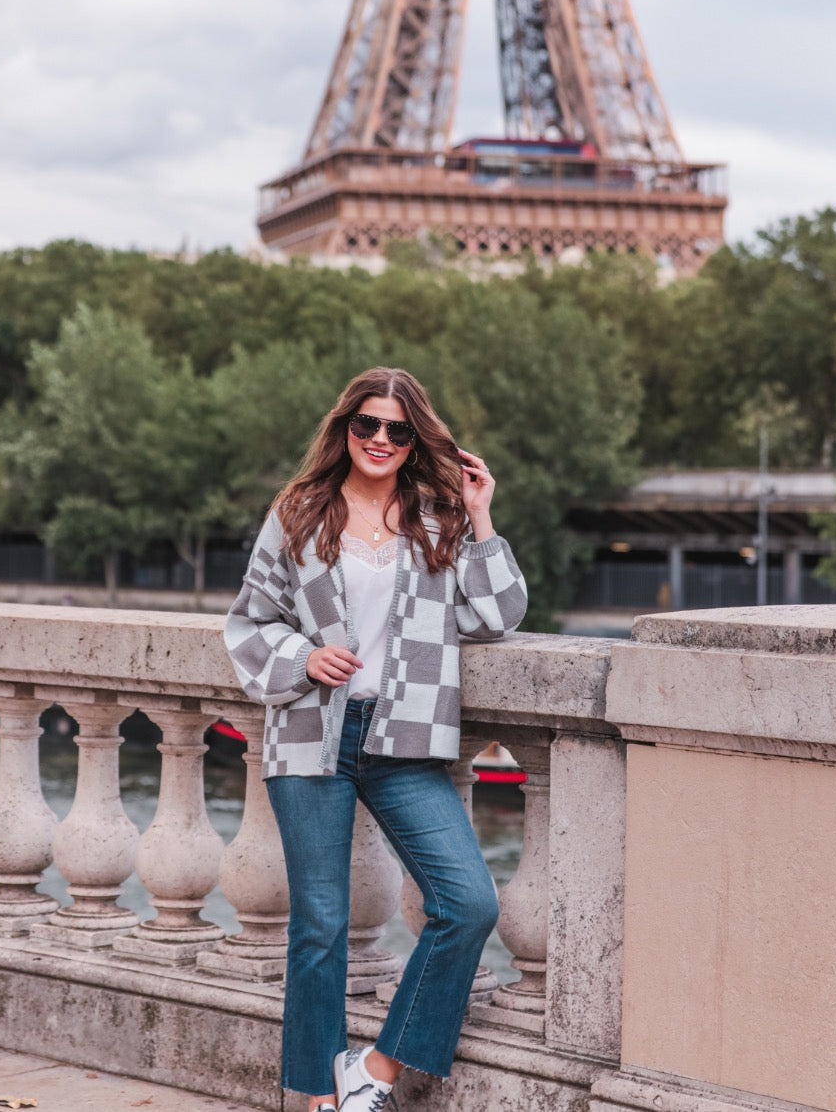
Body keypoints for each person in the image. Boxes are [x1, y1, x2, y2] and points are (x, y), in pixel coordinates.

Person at [224, 367, 527, 1112]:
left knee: (468, 902)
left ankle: (379, 1069)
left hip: (406, 743)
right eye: (368, 425)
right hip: (309, 736)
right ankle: (322, 1102)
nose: (381, 439)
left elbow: (499, 616)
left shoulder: (438, 518)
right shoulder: (299, 513)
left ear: (415, 437)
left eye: (397, 428)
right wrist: (302, 657)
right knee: (320, 928)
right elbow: (248, 622)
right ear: (345, 429)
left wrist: (483, 517)